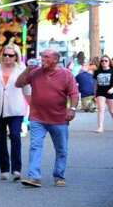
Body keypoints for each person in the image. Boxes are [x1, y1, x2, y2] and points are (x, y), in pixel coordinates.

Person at [16, 49, 80, 188]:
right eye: (41, 56)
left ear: (55, 60)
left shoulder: (66, 75)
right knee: (35, 146)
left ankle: (59, 175)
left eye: (46, 57)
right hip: (37, 117)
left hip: (59, 118)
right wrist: (28, 69)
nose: (42, 59)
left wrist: (72, 109)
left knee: (61, 149)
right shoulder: (35, 72)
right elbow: (18, 83)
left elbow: (74, 94)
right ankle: (34, 177)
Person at [0, 46, 29, 180]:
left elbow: (27, 90)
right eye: (5, 55)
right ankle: (4, 169)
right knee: (1, 138)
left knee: (15, 135)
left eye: (11, 55)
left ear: (16, 57)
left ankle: (16, 169)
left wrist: (34, 107)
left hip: (16, 109)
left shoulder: (21, 70)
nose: (7, 57)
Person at [93, 55, 113, 133]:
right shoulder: (97, 71)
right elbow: (95, 83)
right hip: (100, 92)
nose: (104, 62)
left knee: (112, 110)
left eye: (106, 61)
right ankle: (100, 127)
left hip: (110, 92)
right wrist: (94, 93)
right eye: (102, 61)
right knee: (101, 109)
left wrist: (112, 89)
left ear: (109, 62)